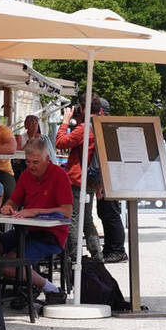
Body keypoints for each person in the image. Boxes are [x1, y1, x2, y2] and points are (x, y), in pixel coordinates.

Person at [0, 138, 74, 302]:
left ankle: (50, 288)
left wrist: (35, 211)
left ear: (47, 159)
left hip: (51, 235)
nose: (31, 166)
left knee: (10, 265)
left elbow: (67, 211)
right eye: (28, 162)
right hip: (26, 230)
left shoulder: (59, 175)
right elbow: (14, 201)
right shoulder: (26, 175)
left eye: (35, 162)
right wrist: (7, 207)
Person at [55, 93, 104, 263]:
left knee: (74, 217)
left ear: (83, 107)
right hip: (92, 179)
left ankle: (74, 257)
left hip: (77, 179)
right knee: (87, 218)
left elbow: (60, 143)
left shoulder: (84, 128)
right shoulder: (100, 125)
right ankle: (97, 255)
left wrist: (65, 121)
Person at [94, 98, 128, 263]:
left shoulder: (107, 128)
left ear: (100, 111)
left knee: (111, 213)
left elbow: (107, 157)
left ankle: (118, 250)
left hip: (110, 177)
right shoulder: (107, 127)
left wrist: (102, 180)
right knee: (105, 213)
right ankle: (110, 248)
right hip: (109, 176)